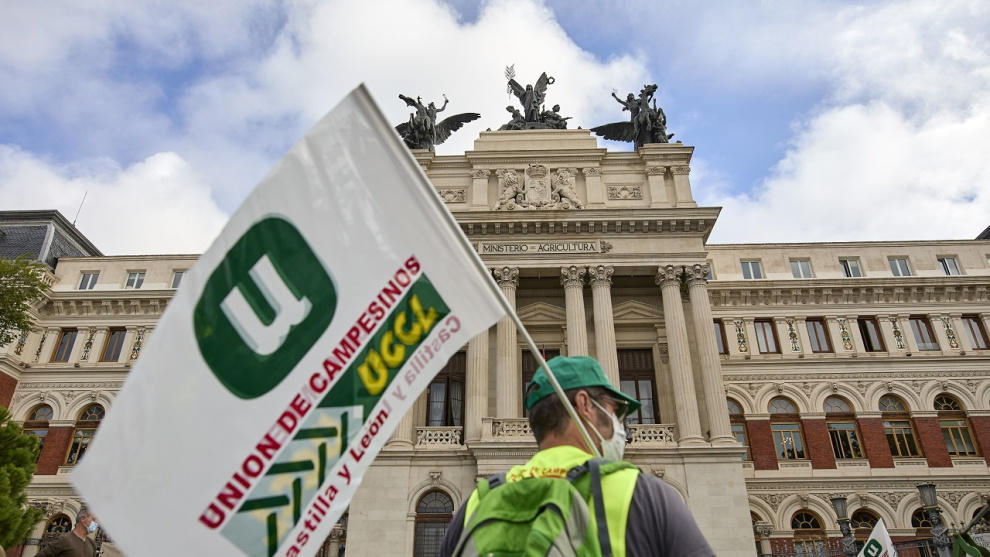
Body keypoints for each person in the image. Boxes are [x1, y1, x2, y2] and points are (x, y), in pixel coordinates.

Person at [440, 356, 715, 557]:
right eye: (615, 410)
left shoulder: (479, 501)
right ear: (585, 404)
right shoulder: (643, 495)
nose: (620, 424)